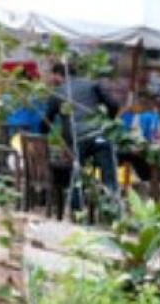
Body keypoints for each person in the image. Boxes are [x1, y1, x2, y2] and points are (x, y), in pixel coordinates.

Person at [45, 61, 122, 204]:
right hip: (99, 135)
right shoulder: (92, 85)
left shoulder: (58, 92)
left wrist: (47, 133)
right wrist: (108, 122)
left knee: (76, 174)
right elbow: (114, 105)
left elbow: (45, 123)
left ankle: (77, 210)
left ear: (58, 75)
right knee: (109, 172)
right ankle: (112, 207)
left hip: (77, 139)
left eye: (52, 76)